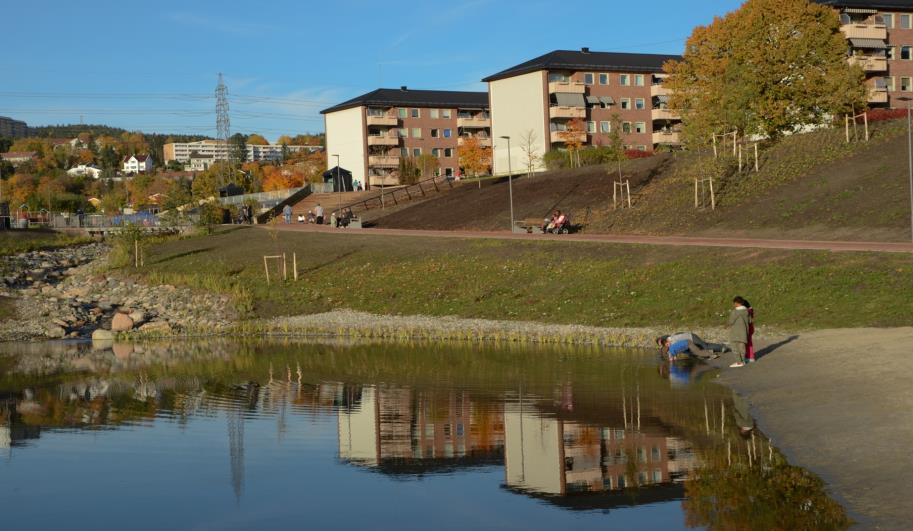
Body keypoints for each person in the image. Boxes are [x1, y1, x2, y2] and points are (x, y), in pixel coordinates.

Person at [728, 296, 751, 368]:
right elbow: (750, 321)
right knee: (742, 347)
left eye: (734, 303)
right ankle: (743, 361)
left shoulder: (734, 312)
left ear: (737, 303)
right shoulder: (747, 311)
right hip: (744, 332)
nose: (734, 305)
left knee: (734, 347)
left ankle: (739, 362)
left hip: (735, 332)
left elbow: (731, 322)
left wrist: (726, 325)